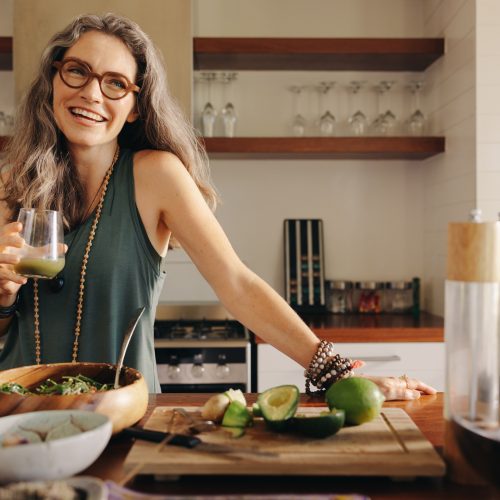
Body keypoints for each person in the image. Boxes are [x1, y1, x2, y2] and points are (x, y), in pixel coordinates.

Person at [0, 13, 436, 399]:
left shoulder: (156, 175)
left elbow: (236, 284)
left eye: (115, 83)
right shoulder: (11, 180)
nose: (93, 94)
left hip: (123, 416)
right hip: (16, 412)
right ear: (55, 80)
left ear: (135, 106)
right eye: (78, 71)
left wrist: (335, 373)